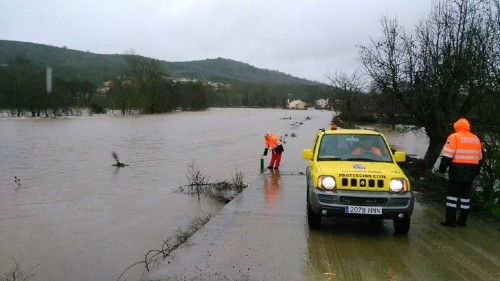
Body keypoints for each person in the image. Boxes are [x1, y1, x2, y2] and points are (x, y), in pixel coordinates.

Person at [438, 118, 482, 227]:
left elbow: (447, 155)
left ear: (456, 127)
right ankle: (463, 221)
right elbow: (480, 158)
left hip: (456, 170)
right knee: (465, 197)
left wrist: (442, 168)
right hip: (471, 171)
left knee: (452, 196)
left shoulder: (454, 137)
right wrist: (477, 171)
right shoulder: (476, 139)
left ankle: (450, 220)